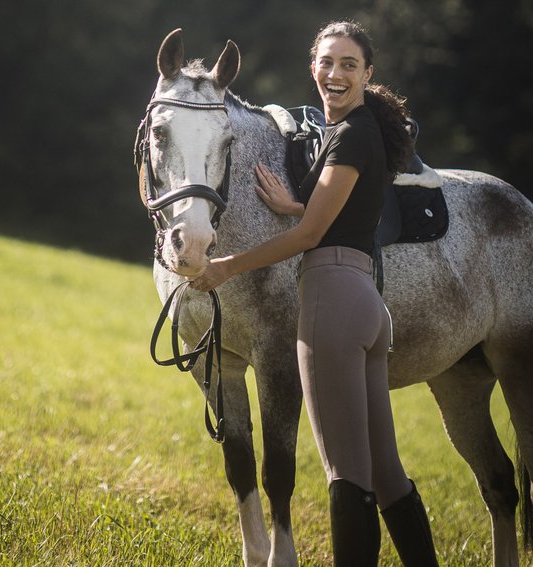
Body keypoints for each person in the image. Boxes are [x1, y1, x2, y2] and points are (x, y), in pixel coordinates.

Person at [191, 20, 438, 567]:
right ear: (313, 68)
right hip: (366, 309)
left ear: (368, 74)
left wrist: (225, 267)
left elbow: (308, 239)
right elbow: (339, 216)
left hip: (332, 304)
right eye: (327, 62)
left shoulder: (349, 135)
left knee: (347, 476)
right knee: (386, 474)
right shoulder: (359, 132)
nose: (335, 73)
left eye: (349, 64)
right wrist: (297, 205)